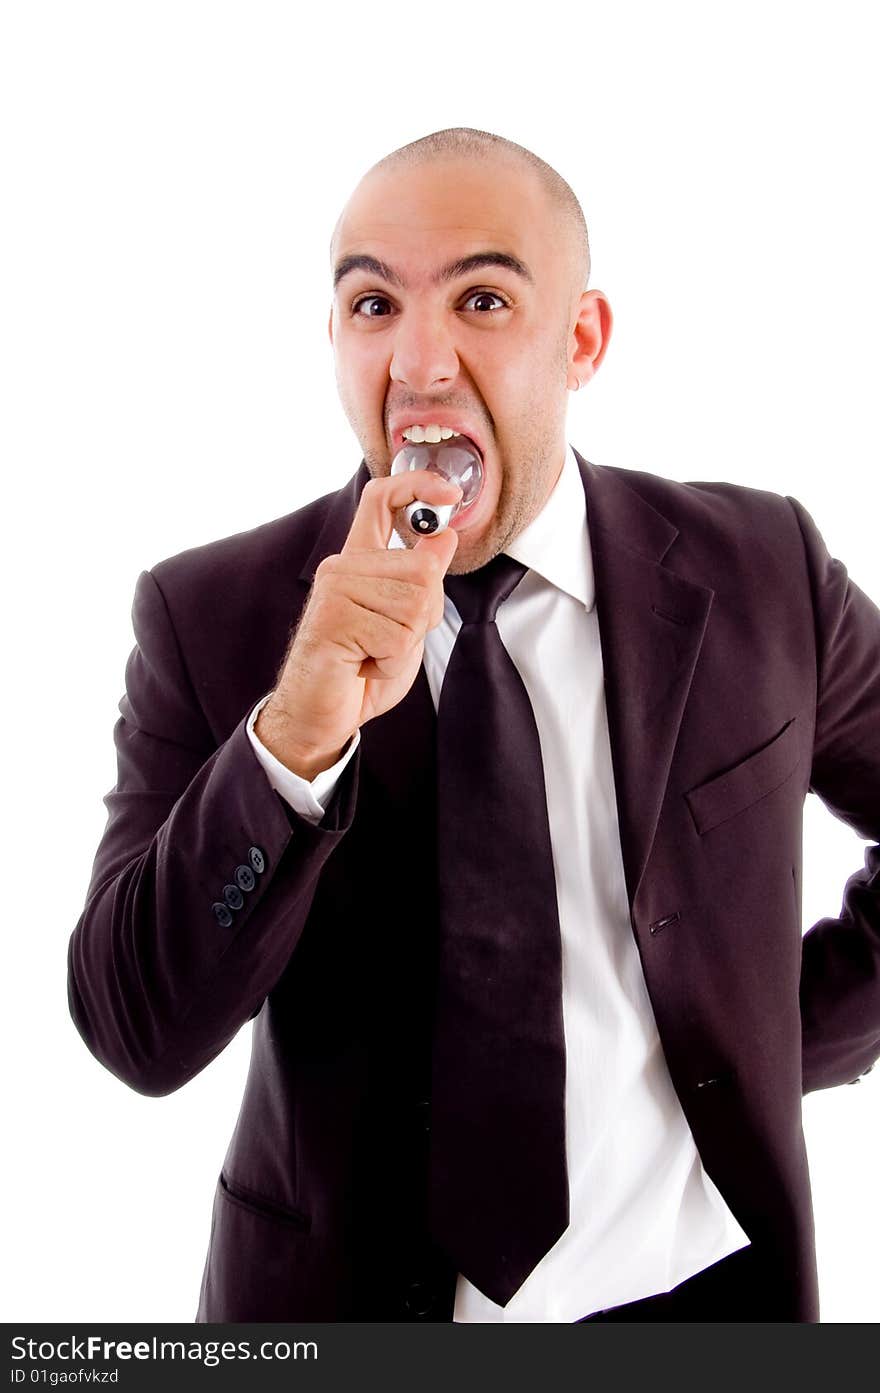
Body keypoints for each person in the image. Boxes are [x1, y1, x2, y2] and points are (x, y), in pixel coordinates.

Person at [67, 126, 880, 1324]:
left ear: (581, 339)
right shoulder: (210, 613)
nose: (421, 360)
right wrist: (295, 736)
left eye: (483, 300)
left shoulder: (762, 569)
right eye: (374, 304)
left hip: (705, 1301)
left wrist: (769, 1045)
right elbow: (136, 1026)